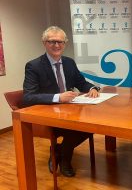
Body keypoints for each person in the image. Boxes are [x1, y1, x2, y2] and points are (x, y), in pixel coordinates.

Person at [23, 26, 100, 177]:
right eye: (52, 41)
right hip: (48, 114)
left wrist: (92, 88)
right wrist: (58, 97)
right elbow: (28, 97)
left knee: (91, 124)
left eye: (60, 42)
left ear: (65, 43)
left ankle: (58, 150)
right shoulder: (34, 66)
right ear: (44, 43)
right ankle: (65, 161)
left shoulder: (69, 62)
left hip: (69, 111)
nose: (56, 45)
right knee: (74, 128)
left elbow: (81, 82)